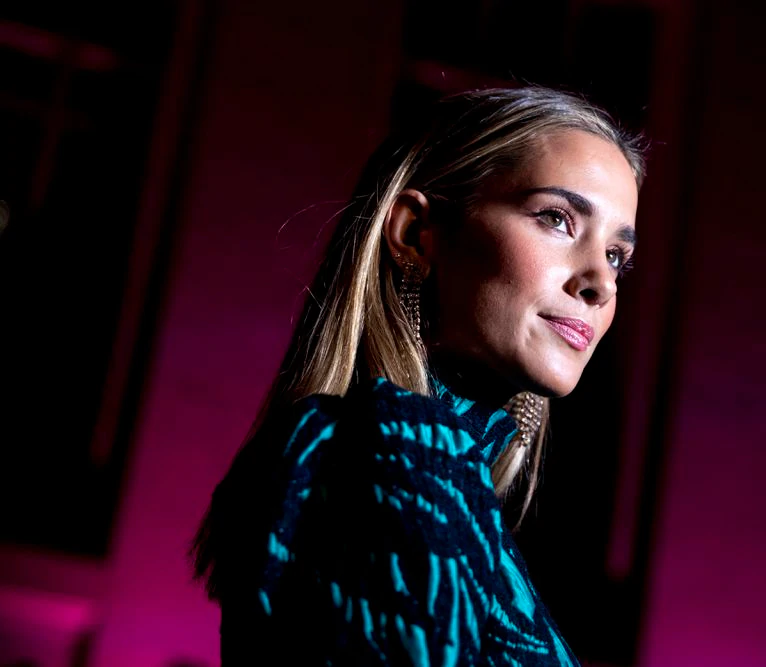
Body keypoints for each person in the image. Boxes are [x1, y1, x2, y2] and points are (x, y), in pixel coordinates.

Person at [190, 86, 646, 666]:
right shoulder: (399, 455)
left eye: (616, 257)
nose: (600, 282)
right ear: (415, 233)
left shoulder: (419, 463)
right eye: (557, 219)